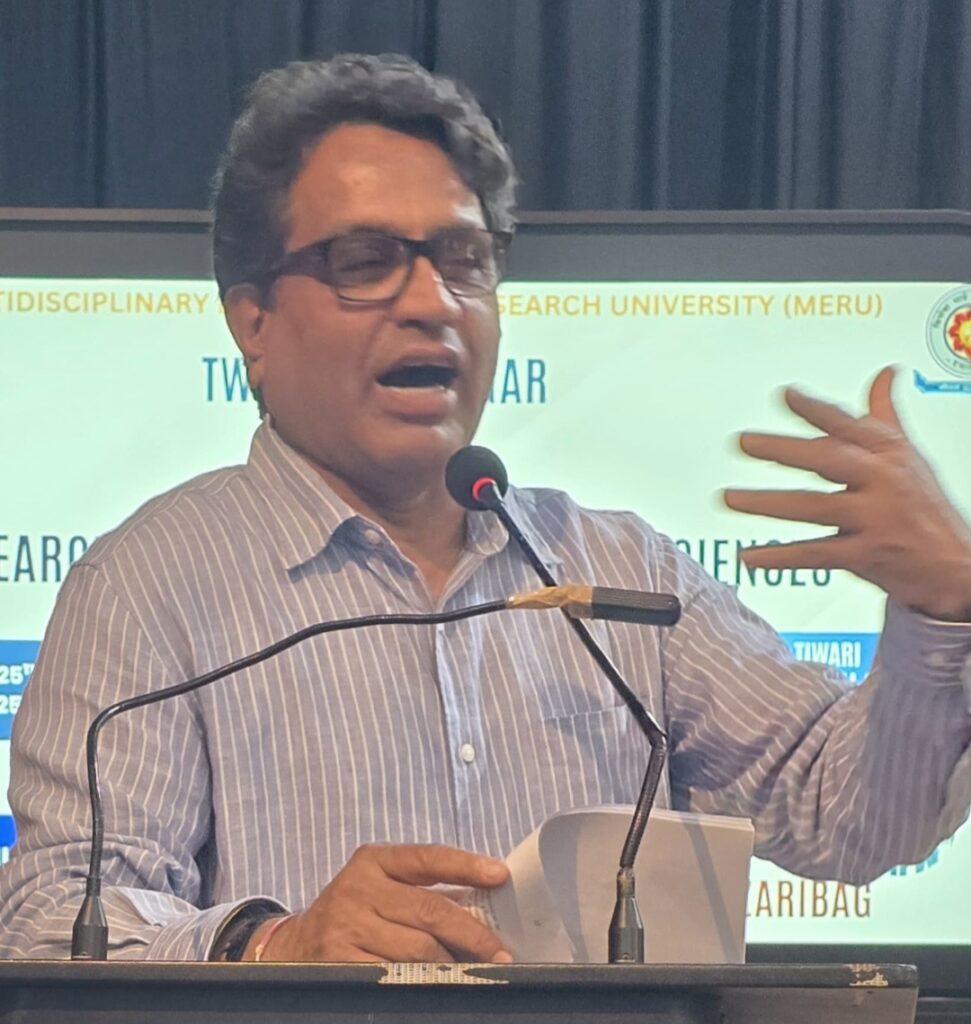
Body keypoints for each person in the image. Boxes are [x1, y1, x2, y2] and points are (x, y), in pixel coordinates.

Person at [1, 53, 970, 964]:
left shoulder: (615, 572)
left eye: (464, 257)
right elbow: (52, 922)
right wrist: (272, 945)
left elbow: (848, 819)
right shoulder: (147, 589)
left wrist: (943, 602)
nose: (431, 301)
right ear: (251, 320)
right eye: (365, 260)